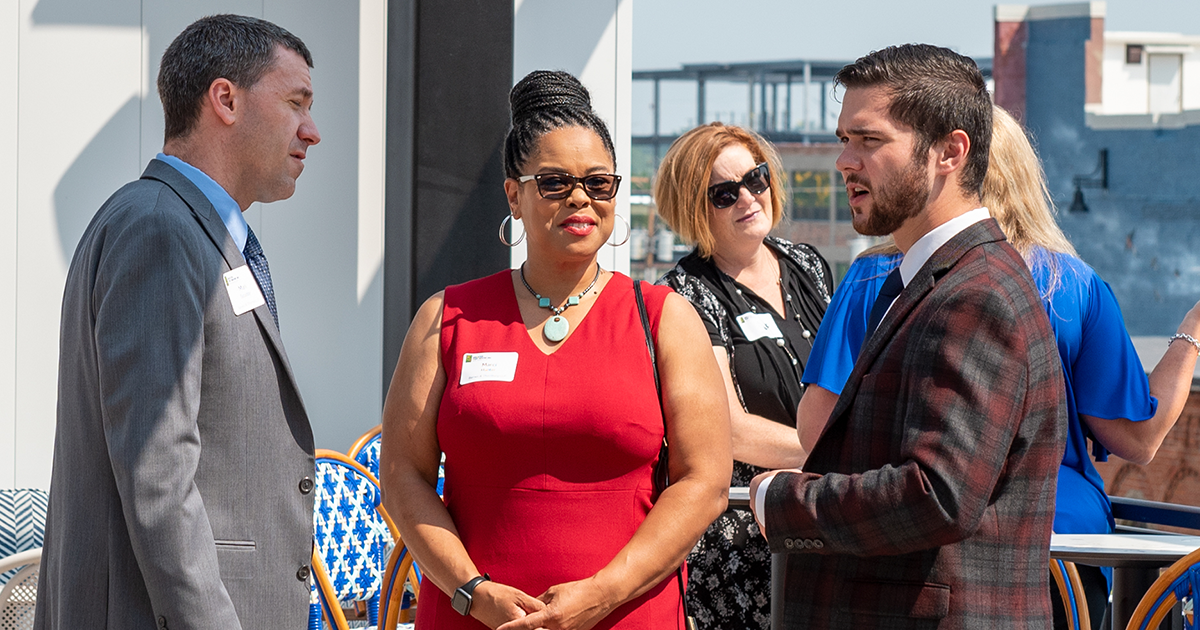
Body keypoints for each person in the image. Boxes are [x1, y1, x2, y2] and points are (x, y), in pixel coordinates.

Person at [798, 105, 1200, 630]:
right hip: (1060, 545)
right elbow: (1136, 438)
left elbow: (816, 429)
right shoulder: (1072, 286)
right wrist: (1191, 333)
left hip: (914, 537)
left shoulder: (874, 281)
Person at [379, 70, 731, 630]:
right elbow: (402, 477)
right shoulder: (446, 318)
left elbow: (705, 482)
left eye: (599, 183)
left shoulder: (665, 318)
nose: (579, 198)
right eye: (554, 183)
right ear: (514, 195)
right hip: (474, 617)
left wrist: (602, 593)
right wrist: (472, 591)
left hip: (626, 615)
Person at [748, 44, 1067, 628]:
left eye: (868, 140)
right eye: (844, 139)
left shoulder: (977, 294)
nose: (844, 161)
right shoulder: (936, 279)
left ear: (950, 151)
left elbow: (937, 495)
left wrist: (784, 501)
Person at [34, 15, 321, 629]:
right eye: (295, 102)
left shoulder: (187, 228)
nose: (312, 131)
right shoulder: (161, 230)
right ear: (225, 99)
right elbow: (158, 474)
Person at [652, 122, 831, 630]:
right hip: (743, 539)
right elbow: (726, 429)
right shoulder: (686, 294)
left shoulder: (807, 265)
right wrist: (843, 453)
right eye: (723, 194)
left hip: (821, 512)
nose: (748, 198)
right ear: (693, 208)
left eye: (755, 179)